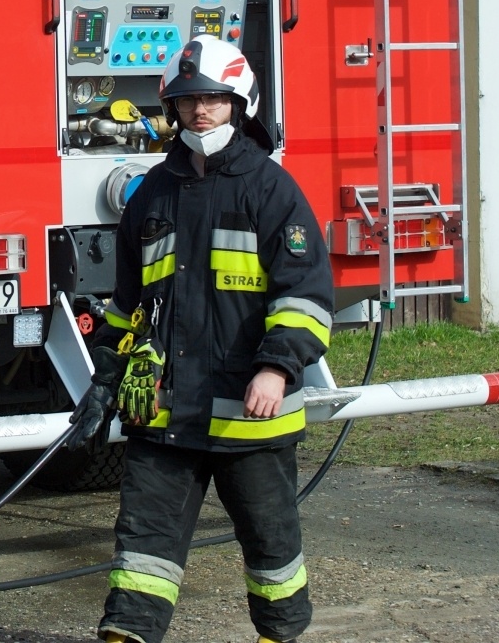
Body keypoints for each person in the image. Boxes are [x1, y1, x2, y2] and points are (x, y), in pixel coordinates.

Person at [68, 34, 334, 643]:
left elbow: (306, 295)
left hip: (249, 409)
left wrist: (277, 369)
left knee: (271, 545)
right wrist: (103, 377)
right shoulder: (153, 194)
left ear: (239, 103)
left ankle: (280, 635)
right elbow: (128, 303)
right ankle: (128, 635)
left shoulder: (271, 189)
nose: (200, 112)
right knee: (143, 551)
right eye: (189, 101)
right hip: (162, 409)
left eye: (213, 99)